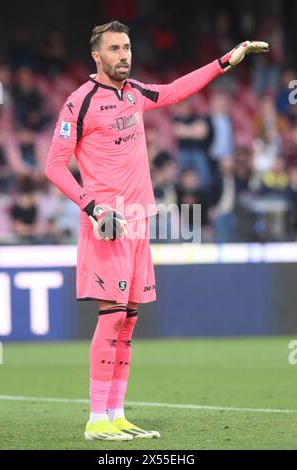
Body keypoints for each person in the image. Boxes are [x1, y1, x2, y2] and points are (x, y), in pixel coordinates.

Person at [45, 20, 269, 441]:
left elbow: (175, 90)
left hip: (139, 222)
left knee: (128, 322)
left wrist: (225, 61)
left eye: (127, 47)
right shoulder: (80, 102)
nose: (124, 55)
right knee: (110, 319)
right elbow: (54, 165)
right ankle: (96, 419)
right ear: (97, 56)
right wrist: (93, 208)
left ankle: (115, 412)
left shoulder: (135, 94)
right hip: (107, 223)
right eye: (114, 49)